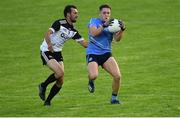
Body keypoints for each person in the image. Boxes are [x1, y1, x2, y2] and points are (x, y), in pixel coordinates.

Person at [38, 5, 88, 106]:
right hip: (47, 50)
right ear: (68, 14)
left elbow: (85, 44)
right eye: (75, 13)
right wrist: (49, 44)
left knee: (60, 81)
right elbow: (47, 33)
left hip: (57, 53)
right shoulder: (59, 23)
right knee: (60, 73)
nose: (77, 15)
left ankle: (47, 101)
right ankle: (43, 86)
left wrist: (100, 43)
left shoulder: (73, 31)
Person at [86, 4, 125, 104]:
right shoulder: (94, 21)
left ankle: (114, 98)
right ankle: (91, 80)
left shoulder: (113, 24)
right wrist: (104, 25)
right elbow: (93, 33)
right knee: (94, 75)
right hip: (93, 53)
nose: (106, 15)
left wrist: (122, 30)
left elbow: (117, 39)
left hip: (106, 54)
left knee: (117, 76)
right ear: (100, 14)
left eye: (108, 13)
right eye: (104, 13)